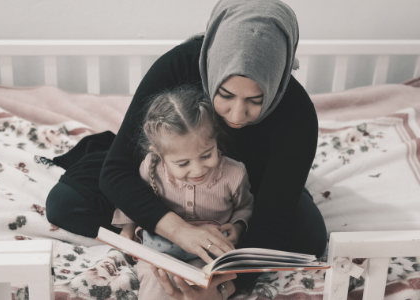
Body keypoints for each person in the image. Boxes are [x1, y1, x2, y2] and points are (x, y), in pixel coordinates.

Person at [46, 0, 327, 298]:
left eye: (256, 101)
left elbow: (272, 219)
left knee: (308, 240)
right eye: (225, 95)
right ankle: (153, 223)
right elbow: (117, 170)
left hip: (251, 184)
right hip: (168, 170)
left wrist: (225, 287)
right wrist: (180, 231)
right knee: (66, 203)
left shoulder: (298, 113)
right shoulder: (178, 66)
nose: (235, 116)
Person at [111, 85, 254, 300]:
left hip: (207, 253)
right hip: (159, 250)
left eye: (206, 155)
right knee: (155, 280)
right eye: (183, 163)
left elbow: (244, 206)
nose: (197, 170)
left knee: (201, 285)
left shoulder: (234, 173)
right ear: (159, 154)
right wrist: (128, 229)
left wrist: (238, 226)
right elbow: (134, 200)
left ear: (216, 140)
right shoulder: (151, 166)